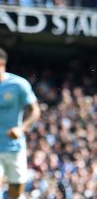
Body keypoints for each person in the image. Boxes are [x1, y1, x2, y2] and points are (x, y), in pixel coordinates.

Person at [0, 47, 40, 199]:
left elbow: (35, 111)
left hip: (14, 146)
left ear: (1, 64)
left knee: (16, 192)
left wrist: (21, 128)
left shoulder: (18, 85)